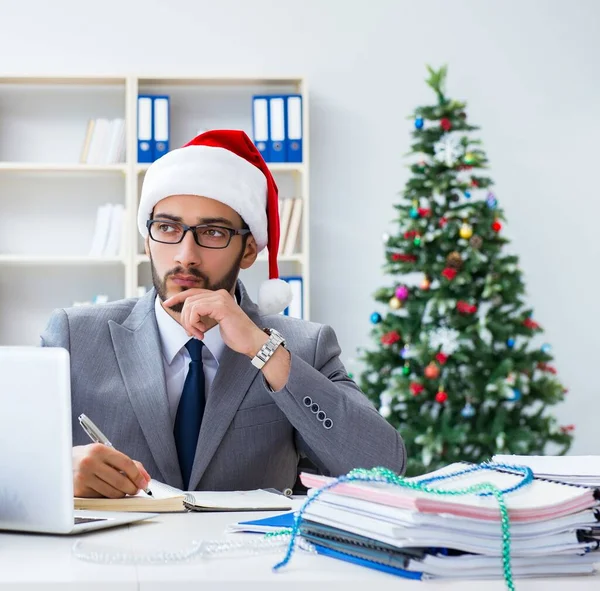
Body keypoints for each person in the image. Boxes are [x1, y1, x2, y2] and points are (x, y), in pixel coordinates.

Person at [41, 130, 406, 498]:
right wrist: (55, 469)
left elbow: (384, 469)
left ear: (248, 250)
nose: (186, 255)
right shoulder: (73, 336)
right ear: (147, 239)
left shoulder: (304, 347)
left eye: (212, 233)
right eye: (167, 228)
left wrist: (263, 351)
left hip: (248, 555)